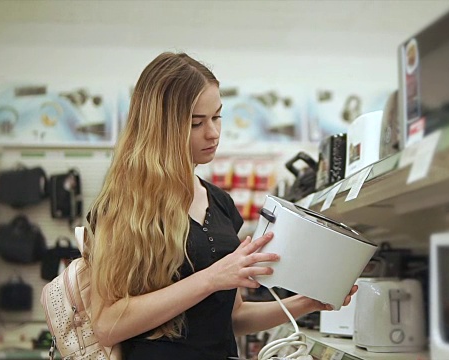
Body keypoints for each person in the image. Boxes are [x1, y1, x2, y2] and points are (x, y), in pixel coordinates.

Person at [86, 52, 357, 360]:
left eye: (217, 117)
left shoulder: (221, 203)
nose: (213, 133)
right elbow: (107, 324)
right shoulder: (123, 205)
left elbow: (231, 318)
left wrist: (307, 302)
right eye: (196, 122)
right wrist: (212, 278)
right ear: (160, 127)